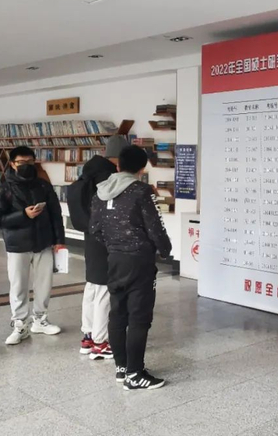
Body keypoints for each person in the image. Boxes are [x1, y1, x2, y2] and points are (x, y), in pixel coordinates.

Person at [90, 145, 171, 390]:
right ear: (142, 168)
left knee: (117, 313)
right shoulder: (141, 191)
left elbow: (95, 229)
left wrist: (114, 245)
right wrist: (165, 250)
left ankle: (122, 368)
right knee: (139, 316)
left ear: (118, 165)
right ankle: (135, 375)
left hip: (114, 259)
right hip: (140, 261)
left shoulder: (100, 192)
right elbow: (155, 227)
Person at [0, 146, 66, 345]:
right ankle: (20, 324)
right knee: (18, 286)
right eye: (21, 162)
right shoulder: (4, 189)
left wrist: (59, 241)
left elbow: (56, 215)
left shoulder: (44, 186)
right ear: (13, 164)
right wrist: (24, 215)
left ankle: (40, 320)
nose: (26, 166)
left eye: (30, 162)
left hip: (44, 242)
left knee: (44, 284)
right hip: (17, 245)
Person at [68, 135, 129, 360]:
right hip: (105, 238)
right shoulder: (108, 177)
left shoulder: (88, 173)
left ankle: (88, 336)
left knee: (93, 287)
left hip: (90, 237)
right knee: (105, 290)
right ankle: (101, 342)